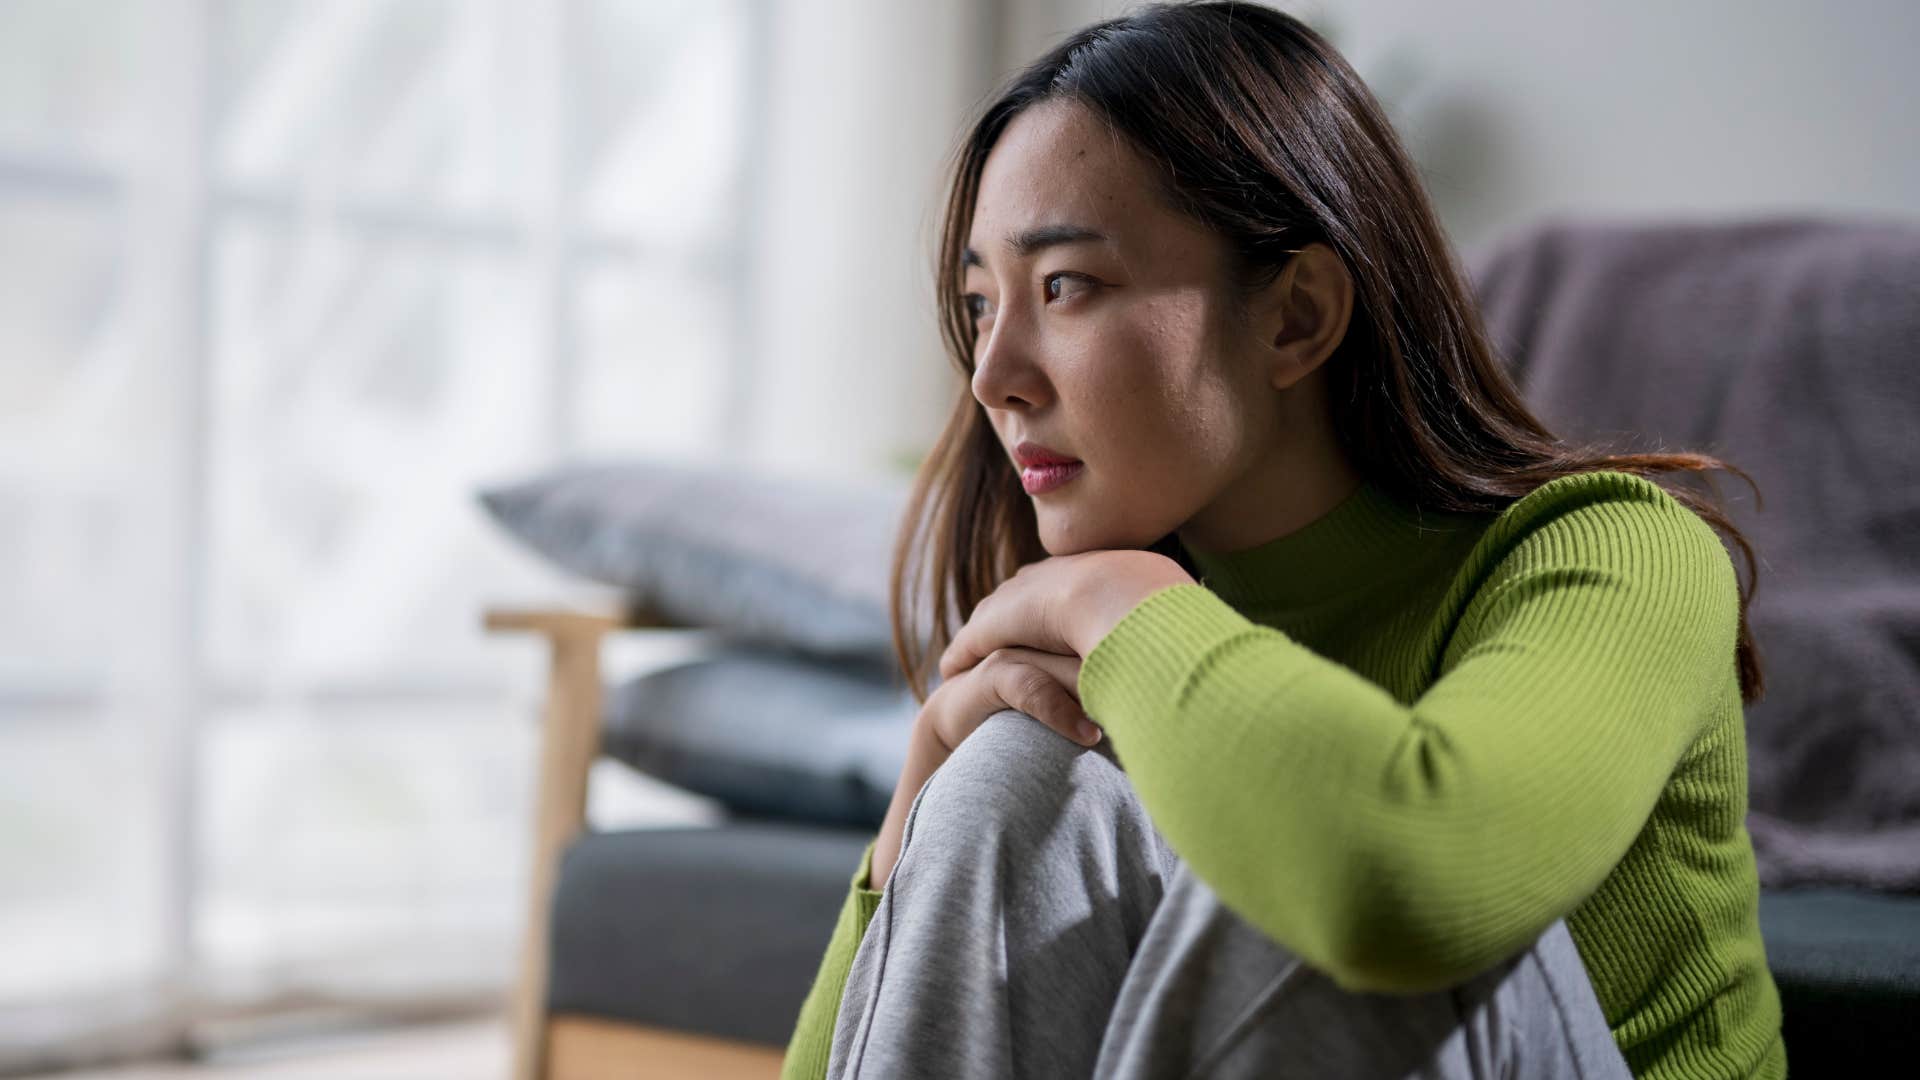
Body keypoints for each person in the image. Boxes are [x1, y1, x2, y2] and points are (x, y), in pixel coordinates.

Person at [782, 3, 1785, 1077]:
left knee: (1292, 854)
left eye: (1065, 286)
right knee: (1007, 777)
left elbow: (1402, 886)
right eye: (982, 304)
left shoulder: (1621, 557)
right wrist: (915, 814)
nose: (992, 377)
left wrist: (1113, 603)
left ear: (1297, 316)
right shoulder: (1122, 663)